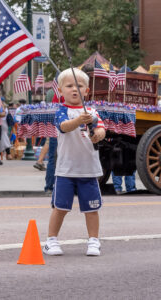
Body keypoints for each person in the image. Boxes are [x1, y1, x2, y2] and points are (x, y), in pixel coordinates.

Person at [43, 68, 105, 256]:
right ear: (60, 91)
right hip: (65, 170)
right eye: (69, 86)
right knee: (60, 207)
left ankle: (94, 240)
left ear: (87, 90)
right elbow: (64, 127)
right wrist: (79, 120)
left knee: (91, 208)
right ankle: (51, 240)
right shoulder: (61, 111)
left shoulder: (92, 111)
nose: (74, 89)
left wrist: (97, 136)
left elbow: (101, 129)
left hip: (89, 169)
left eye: (79, 86)